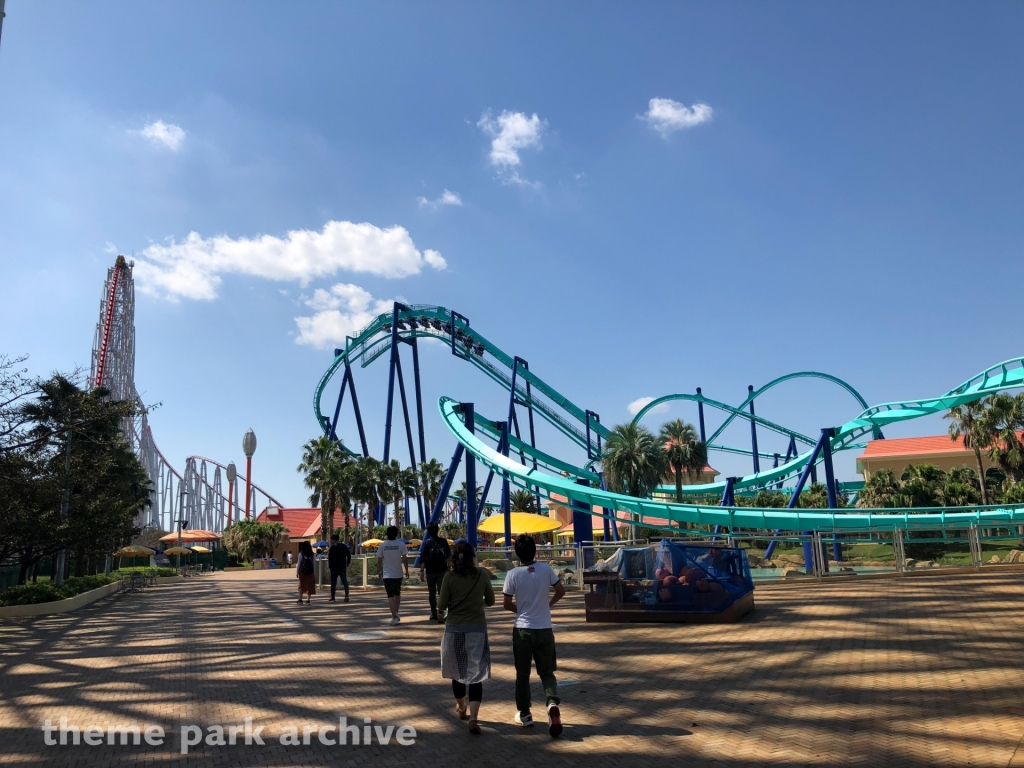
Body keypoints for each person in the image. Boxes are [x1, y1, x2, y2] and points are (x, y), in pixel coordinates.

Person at [503, 533, 566, 737]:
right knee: (547, 672)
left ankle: (525, 713)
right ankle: (552, 703)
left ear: (517, 553)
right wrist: (547, 605)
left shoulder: (513, 574)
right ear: (535, 550)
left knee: (522, 674)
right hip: (544, 628)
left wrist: (520, 610)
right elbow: (560, 590)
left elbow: (506, 603)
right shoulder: (546, 569)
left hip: (522, 629)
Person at [438, 540, 494, 735]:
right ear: (472, 557)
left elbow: (442, 604)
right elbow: (491, 600)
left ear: (454, 557)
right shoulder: (482, 575)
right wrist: (477, 604)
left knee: (458, 671)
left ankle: (461, 708)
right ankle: (474, 718)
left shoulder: (449, 577)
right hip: (477, 628)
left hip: (454, 629)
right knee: (476, 674)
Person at [416, 523, 452, 622]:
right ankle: (441, 611)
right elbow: (449, 555)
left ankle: (433, 612)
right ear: (437, 530)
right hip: (442, 570)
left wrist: (422, 572)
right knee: (442, 592)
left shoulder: (427, 543)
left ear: (428, 531)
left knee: (431, 593)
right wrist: (449, 566)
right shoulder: (443, 541)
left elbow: (423, 559)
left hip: (430, 571)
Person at [376, 526, 409, 625]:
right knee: (397, 594)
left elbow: (379, 560)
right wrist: (407, 570)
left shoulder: (383, 545)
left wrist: (379, 571)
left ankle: (394, 616)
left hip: (387, 574)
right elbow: (405, 559)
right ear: (396, 534)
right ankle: (396, 613)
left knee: (390, 596)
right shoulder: (401, 544)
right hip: (398, 573)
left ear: (387, 534)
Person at [328, 534, 352, 603]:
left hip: (334, 567)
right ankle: (346, 596)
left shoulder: (332, 548)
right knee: (344, 581)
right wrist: (348, 562)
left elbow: (330, 558)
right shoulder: (344, 546)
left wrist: (330, 566)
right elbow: (348, 555)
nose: (331, 541)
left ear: (334, 540)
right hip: (342, 566)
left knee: (333, 582)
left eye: (331, 540)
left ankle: (333, 597)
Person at [296, 540, 316, 605]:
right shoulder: (313, 554)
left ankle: (300, 599)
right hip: (310, 572)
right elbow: (314, 564)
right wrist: (313, 572)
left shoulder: (301, 554)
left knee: (301, 585)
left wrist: (297, 573)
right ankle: (308, 600)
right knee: (309, 585)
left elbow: (299, 564)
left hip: (302, 572)